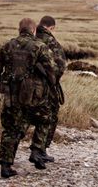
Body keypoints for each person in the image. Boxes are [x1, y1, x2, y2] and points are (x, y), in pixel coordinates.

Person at [0, 18, 57, 178]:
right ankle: (37, 151)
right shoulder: (40, 47)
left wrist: (1, 85)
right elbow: (52, 72)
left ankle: (6, 166)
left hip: (12, 96)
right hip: (35, 97)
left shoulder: (7, 46)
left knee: (10, 130)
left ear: (19, 29)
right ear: (33, 30)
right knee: (45, 120)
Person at [36, 15, 66, 162]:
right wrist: (52, 80)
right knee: (49, 117)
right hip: (46, 87)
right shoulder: (51, 42)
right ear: (51, 27)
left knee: (19, 120)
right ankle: (40, 150)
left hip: (22, 88)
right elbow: (60, 66)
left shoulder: (29, 37)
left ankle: (7, 159)